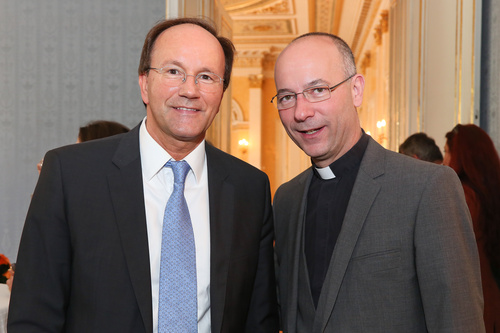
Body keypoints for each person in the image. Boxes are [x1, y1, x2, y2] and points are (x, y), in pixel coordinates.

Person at [9, 17, 278, 333]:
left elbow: (258, 320)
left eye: (206, 76)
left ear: (221, 93)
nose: (189, 90)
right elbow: (34, 316)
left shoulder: (249, 189)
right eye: (174, 71)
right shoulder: (71, 175)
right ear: (144, 83)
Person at [271, 32, 484, 332]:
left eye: (318, 90)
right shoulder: (286, 199)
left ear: (356, 90)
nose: (301, 112)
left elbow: (457, 321)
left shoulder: (426, 188)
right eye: (287, 97)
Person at [444, 124, 500, 332]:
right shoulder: (490, 190)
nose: (444, 160)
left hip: (474, 301)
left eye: (447, 151)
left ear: (459, 155)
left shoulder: (464, 196)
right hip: (491, 294)